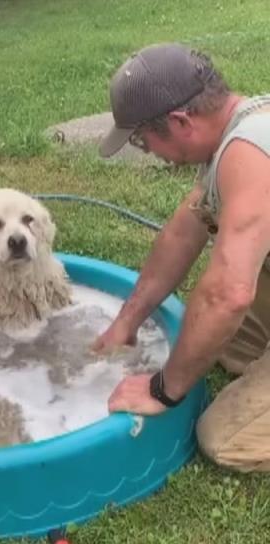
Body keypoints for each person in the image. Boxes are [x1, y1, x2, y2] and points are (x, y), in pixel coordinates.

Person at [95, 42, 270, 473]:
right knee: (217, 348)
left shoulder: (250, 153)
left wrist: (161, 390)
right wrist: (128, 320)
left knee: (225, 439)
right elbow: (182, 232)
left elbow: (228, 294)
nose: (146, 150)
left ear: (180, 120)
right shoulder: (234, 128)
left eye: (141, 139)